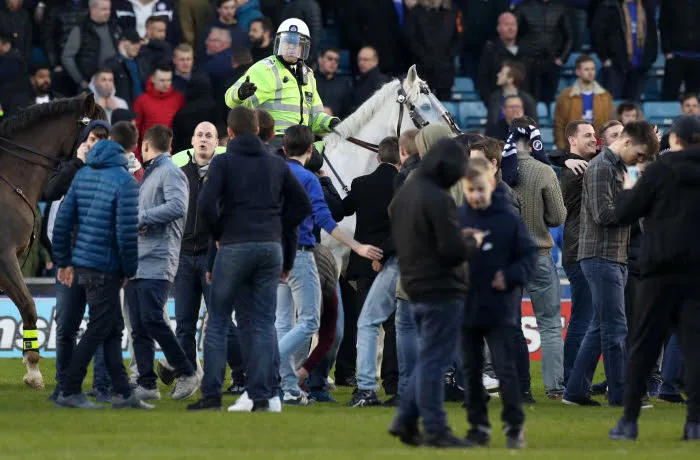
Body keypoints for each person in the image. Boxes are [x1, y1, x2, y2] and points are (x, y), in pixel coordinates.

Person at [187, 106, 312, 412]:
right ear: (257, 131)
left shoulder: (223, 162)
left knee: (217, 322)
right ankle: (262, 394)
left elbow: (205, 206)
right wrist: (278, 229)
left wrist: (219, 232)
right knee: (262, 322)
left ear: (228, 133)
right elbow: (302, 205)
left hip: (234, 245)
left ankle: (212, 394)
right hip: (270, 248)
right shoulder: (276, 164)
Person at [276, 125, 383, 405]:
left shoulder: (273, 174)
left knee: (283, 321)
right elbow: (325, 220)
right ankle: (268, 369)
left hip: (274, 253)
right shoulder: (308, 179)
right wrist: (357, 246)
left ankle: (287, 386)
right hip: (301, 253)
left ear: (284, 149)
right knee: (311, 321)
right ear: (311, 150)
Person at [609, 115, 700, 441]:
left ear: (674, 140)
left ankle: (629, 421)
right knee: (695, 348)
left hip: (658, 270)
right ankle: (695, 424)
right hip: (696, 273)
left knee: (643, 346)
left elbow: (624, 213)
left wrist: (632, 184)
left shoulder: (660, 171)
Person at [388, 138, 482, 448]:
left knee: (428, 358)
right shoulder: (438, 197)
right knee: (435, 361)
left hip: (413, 283)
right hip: (441, 286)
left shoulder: (405, 195)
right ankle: (435, 428)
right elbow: (451, 250)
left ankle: (405, 419)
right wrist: (472, 243)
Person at [563, 120, 658, 407]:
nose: (639, 162)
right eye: (640, 155)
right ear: (627, 143)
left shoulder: (621, 167)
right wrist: (634, 203)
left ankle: (575, 392)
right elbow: (604, 214)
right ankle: (620, 395)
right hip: (600, 255)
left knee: (600, 328)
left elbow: (631, 207)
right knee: (616, 329)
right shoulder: (602, 167)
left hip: (615, 254)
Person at [52, 135, 149, 410]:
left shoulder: (81, 177)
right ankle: (70, 389)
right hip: (107, 268)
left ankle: (122, 393)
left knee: (112, 328)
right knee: (99, 328)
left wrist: (64, 262)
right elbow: (126, 234)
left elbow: (62, 222)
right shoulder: (126, 182)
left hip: (82, 264)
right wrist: (130, 269)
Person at [459, 156, 537, 449]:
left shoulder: (508, 219)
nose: (476, 196)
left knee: (505, 369)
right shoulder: (458, 218)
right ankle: (478, 427)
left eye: (480, 189)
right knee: (470, 370)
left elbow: (529, 255)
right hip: (466, 307)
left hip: (501, 307)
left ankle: (514, 426)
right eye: (470, 190)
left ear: (491, 185)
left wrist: (511, 275)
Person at [126, 124, 200, 402]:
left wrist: (143, 217)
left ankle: (186, 372)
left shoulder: (169, 172)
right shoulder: (152, 174)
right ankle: (146, 382)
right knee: (139, 325)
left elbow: (178, 206)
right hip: (139, 259)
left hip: (159, 257)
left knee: (153, 319)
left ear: (145, 146)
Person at [43, 120, 111, 403]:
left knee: (101, 327)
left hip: (100, 263)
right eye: (93, 138)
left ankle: (102, 386)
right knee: (67, 328)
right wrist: (62, 261)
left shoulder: (113, 172)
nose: (97, 143)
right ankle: (64, 386)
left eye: (102, 139)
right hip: (70, 264)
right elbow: (50, 201)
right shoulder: (69, 170)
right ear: (84, 141)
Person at [511, 118, 567, 399]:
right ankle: (555, 388)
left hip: (508, 258)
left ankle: (507, 383)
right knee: (549, 325)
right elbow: (558, 217)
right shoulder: (544, 171)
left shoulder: (497, 170)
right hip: (540, 254)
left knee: (506, 323)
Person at [344, 137, 401, 408]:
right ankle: (393, 382)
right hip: (394, 260)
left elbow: (338, 211)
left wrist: (326, 186)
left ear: (377, 158)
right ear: (400, 158)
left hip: (365, 264)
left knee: (366, 324)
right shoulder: (403, 186)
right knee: (394, 326)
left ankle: (365, 383)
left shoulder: (360, 184)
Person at [225, 18, 338, 146]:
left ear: (304, 47)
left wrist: (333, 123)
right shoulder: (264, 68)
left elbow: (314, 118)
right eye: (287, 42)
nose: (291, 47)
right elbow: (230, 99)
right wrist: (240, 94)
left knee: (323, 157)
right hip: (272, 140)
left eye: (296, 43)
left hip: (302, 141)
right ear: (279, 43)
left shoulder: (309, 75)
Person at [557, 120, 598, 385]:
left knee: (585, 317)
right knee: (582, 319)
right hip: (580, 251)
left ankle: (575, 377)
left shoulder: (578, 165)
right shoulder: (580, 169)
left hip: (579, 250)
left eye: (595, 134)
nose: (594, 139)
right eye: (587, 135)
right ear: (572, 140)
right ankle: (572, 379)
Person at [591, 0, 657, 101]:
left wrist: (650, 59)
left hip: (640, 65)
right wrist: (604, 58)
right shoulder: (609, 5)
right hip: (616, 65)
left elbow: (652, 34)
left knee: (633, 107)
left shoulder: (645, 6)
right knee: (613, 104)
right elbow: (598, 33)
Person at [514, 0, 573, 105]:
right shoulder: (522, 7)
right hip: (527, 63)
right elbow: (513, 35)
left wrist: (562, 59)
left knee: (548, 101)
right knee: (528, 101)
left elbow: (569, 37)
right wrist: (519, 59)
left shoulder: (560, 8)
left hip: (550, 62)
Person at [554, 54, 614, 150]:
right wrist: (563, 150)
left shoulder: (605, 96)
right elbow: (559, 125)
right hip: (574, 148)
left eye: (592, 69)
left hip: (599, 149)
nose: (590, 73)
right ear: (578, 72)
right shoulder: (565, 96)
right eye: (586, 69)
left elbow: (610, 125)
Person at [404, 0, 459, 101]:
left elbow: (458, 38)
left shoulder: (452, 11)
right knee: (421, 106)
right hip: (422, 69)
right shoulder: (416, 12)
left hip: (445, 69)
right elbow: (411, 38)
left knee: (444, 108)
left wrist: (449, 56)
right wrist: (424, 57)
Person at [61, 0, 119, 93]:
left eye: (109, 9)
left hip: (114, 82)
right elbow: (67, 57)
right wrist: (80, 80)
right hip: (90, 85)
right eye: (104, 9)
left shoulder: (113, 27)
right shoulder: (80, 30)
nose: (108, 13)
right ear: (93, 10)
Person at [132, 63, 185, 160]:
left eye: (169, 80)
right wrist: (137, 157)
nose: (166, 84)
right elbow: (135, 130)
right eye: (162, 80)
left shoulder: (178, 99)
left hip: (173, 153)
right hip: (148, 155)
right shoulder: (142, 100)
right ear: (152, 79)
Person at [477, 12, 524, 105]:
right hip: (497, 103)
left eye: (513, 24)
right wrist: (490, 102)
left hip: (522, 103)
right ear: (498, 28)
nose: (511, 28)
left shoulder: (525, 50)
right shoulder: (490, 50)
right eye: (507, 25)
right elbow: (483, 80)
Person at [659, 0, 700, 101]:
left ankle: (692, 117)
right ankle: (667, 116)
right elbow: (663, 26)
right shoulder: (670, 2)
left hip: (697, 57)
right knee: (669, 95)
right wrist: (667, 51)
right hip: (675, 56)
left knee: (693, 95)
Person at [103, 28, 148, 107]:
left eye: (138, 43)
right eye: (133, 43)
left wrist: (150, 41)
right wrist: (122, 57)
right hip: (125, 107)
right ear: (122, 43)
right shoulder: (113, 62)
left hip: (143, 107)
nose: (137, 46)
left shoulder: (142, 60)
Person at [486, 61, 538, 128]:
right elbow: (490, 124)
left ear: (510, 79)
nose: (498, 75)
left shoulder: (527, 100)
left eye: (502, 73)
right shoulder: (494, 97)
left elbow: (534, 126)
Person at [347, 46, 391, 115]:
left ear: (375, 61)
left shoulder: (381, 81)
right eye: (359, 59)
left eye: (365, 60)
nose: (361, 63)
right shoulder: (358, 79)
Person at [315, 46, 352, 118]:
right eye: (329, 58)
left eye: (336, 60)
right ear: (320, 59)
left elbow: (348, 111)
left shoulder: (344, 85)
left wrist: (333, 114)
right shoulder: (309, 79)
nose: (333, 62)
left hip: (334, 127)